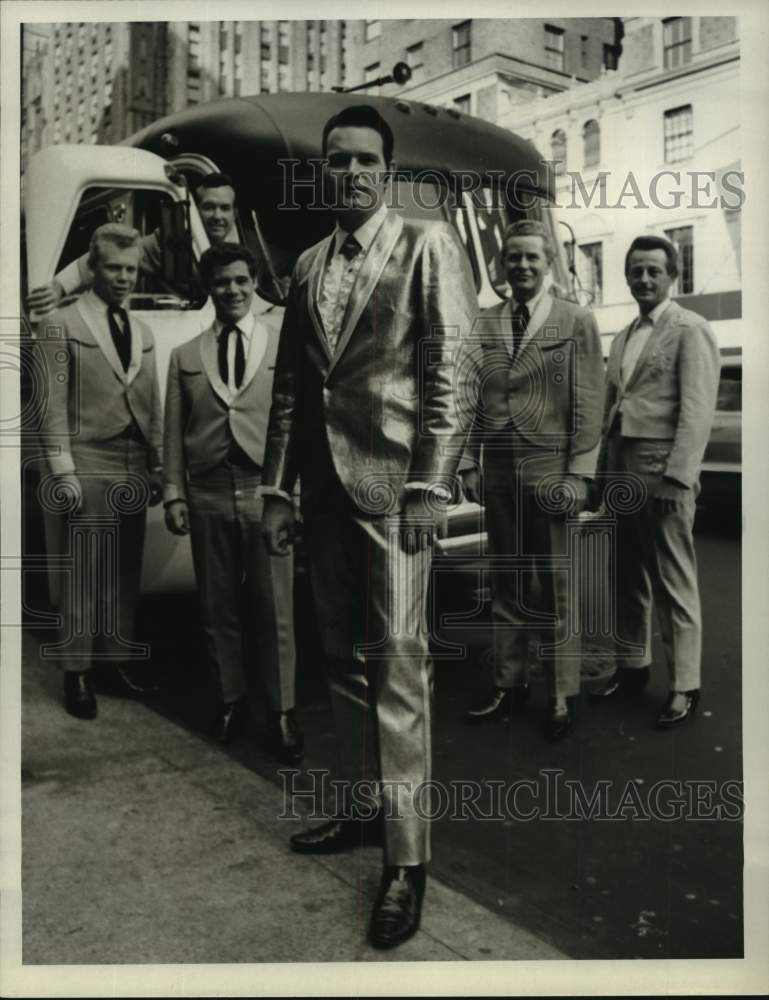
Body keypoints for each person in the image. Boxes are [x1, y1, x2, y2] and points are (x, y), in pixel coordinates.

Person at [260, 105, 477, 949]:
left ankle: (406, 862)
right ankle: (365, 813)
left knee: (397, 671)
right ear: (323, 171)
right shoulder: (308, 262)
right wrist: (277, 492)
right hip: (320, 493)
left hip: (395, 493)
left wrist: (431, 483)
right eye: (336, 161)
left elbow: (450, 370)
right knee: (342, 667)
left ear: (385, 172)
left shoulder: (427, 244)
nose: (348, 173)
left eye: (363, 162)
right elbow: (289, 390)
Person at [461, 220, 605, 741]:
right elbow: (473, 396)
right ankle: (509, 681)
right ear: (501, 266)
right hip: (499, 473)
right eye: (513, 258)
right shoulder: (485, 322)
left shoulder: (575, 320)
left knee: (558, 590)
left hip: (552, 475)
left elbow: (590, 404)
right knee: (507, 583)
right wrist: (468, 463)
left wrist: (580, 476)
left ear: (548, 264)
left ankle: (562, 693)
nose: (521, 266)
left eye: (532, 258)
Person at [162, 243, 302, 763]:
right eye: (222, 282)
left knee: (275, 610)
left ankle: (282, 711)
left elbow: (298, 421)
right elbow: (172, 433)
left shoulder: (281, 343)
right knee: (217, 607)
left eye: (242, 280)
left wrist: (293, 495)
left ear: (254, 282)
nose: (233, 290)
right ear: (209, 288)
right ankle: (230, 700)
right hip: (209, 494)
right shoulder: (186, 355)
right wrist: (174, 493)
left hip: (268, 495)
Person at [590, 235, 719, 727]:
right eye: (636, 271)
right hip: (621, 469)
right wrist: (602, 474)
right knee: (625, 577)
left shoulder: (691, 329)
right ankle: (632, 667)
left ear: (672, 276)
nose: (644, 279)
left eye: (653, 271)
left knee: (673, 582)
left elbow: (697, 411)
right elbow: (610, 410)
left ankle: (685, 684)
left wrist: (679, 479)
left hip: (661, 473)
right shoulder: (623, 335)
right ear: (627, 276)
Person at [36, 223, 163, 719]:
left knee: (123, 572)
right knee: (84, 572)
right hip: (87, 460)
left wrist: (155, 467)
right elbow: (49, 406)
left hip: (132, 466)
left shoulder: (144, 331)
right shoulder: (61, 323)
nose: (125, 277)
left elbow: (151, 404)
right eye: (114, 268)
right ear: (94, 268)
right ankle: (78, 673)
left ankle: (113, 662)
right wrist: (62, 470)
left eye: (131, 269)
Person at [26, 173, 240, 315]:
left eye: (224, 208)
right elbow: (108, 255)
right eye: (209, 207)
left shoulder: (247, 249)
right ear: (194, 210)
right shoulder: (172, 242)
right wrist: (59, 287)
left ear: (234, 212)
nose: (217, 216)